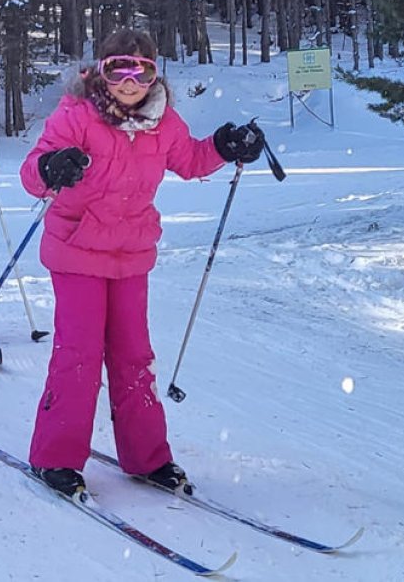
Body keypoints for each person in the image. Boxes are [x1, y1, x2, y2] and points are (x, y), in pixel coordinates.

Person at [19, 28, 265, 496]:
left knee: (135, 357)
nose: (130, 80)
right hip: (77, 250)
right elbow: (33, 170)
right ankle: (56, 458)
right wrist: (52, 168)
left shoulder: (163, 123)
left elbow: (191, 159)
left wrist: (227, 143)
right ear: (102, 71)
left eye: (142, 70)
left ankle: (148, 457)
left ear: (154, 74)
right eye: (119, 69)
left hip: (130, 254)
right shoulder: (77, 115)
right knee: (79, 355)